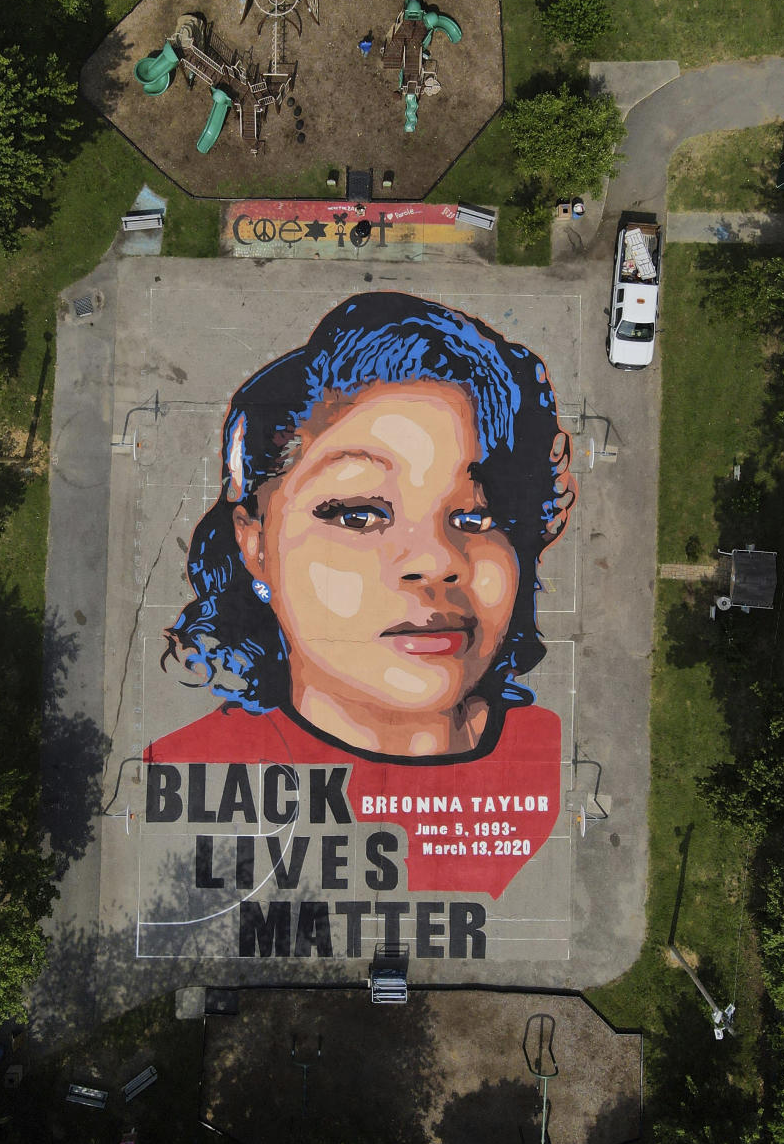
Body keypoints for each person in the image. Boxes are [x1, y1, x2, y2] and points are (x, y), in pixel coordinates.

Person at [144, 293, 577, 896]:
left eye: (479, 517)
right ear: (255, 545)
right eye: (358, 516)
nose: (436, 560)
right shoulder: (183, 770)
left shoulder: (559, 760)